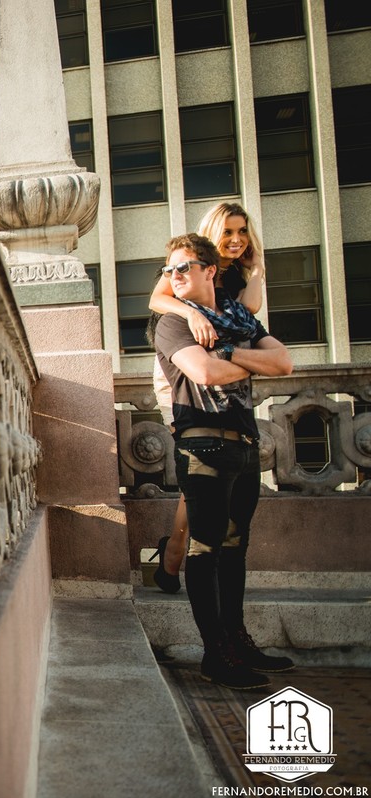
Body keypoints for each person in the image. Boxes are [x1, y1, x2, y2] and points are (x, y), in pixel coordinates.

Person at [153, 232, 293, 689]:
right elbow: (205, 372)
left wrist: (231, 351)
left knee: (236, 549)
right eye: (168, 270)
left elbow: (285, 363)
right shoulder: (173, 325)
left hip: (245, 441)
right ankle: (216, 656)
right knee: (207, 549)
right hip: (203, 445)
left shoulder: (233, 320)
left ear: (209, 271)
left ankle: (237, 642)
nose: (174, 277)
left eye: (183, 268)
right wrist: (248, 362)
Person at [148, 203, 266, 593]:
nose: (237, 239)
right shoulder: (188, 263)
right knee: (198, 464)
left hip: (220, 365)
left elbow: (250, 309)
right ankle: (177, 553)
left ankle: (176, 552)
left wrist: (258, 264)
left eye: (243, 231)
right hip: (181, 368)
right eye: (229, 231)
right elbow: (156, 300)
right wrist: (193, 314)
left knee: (206, 474)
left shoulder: (233, 274)